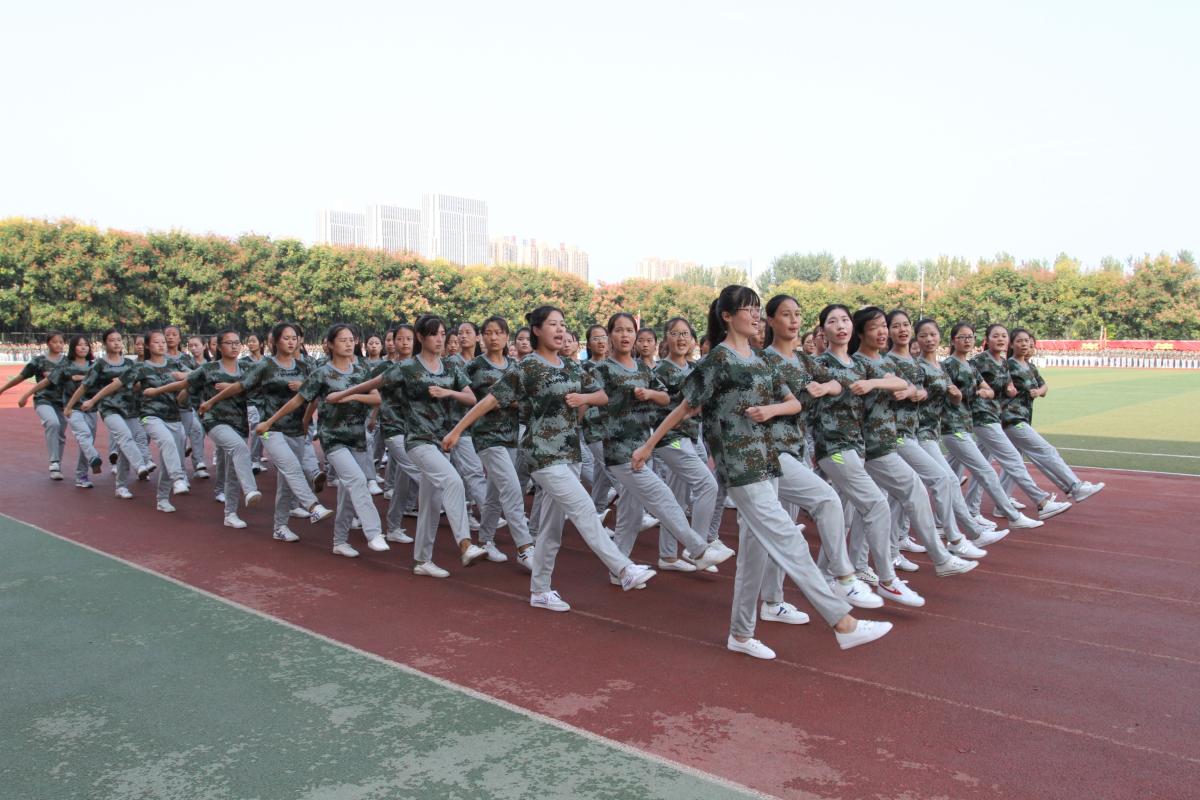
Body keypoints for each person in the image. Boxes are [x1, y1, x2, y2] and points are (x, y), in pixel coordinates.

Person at [634, 286, 891, 659]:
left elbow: (792, 402)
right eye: (748, 309)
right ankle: (843, 622)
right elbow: (685, 407)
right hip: (740, 466)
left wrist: (775, 409)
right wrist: (648, 446)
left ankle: (740, 634)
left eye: (757, 309)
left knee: (753, 556)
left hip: (769, 460)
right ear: (727, 316)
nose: (755, 315)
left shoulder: (759, 359)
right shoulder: (718, 360)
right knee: (789, 539)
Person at [444, 305, 656, 612]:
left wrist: (583, 399)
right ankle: (623, 568)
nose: (560, 330)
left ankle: (540, 591)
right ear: (536, 330)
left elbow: (601, 396)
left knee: (551, 530)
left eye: (563, 324)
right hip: (542, 454)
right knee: (583, 507)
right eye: (553, 324)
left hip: (568, 453)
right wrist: (457, 430)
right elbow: (489, 400)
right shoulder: (527, 367)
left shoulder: (570, 366)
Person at [329, 315, 486, 575]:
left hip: (442, 443)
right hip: (418, 441)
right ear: (421, 337)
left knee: (431, 504)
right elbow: (374, 383)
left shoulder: (450, 367)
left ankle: (422, 561)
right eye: (433, 334)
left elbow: (471, 398)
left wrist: (448, 392)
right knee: (453, 482)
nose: (440, 339)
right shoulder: (407, 367)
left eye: (442, 333)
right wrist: (342, 394)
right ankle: (465, 543)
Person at [759, 296, 882, 610]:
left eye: (798, 314)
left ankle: (772, 601)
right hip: (769, 452)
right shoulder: (763, 361)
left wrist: (827, 387)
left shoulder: (804, 361)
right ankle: (843, 577)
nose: (794, 320)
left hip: (794, 451)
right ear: (770, 320)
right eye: (786, 315)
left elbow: (838, 383)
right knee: (826, 500)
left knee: (782, 530)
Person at [594, 312, 735, 574]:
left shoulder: (645, 369)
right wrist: (586, 401)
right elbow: (596, 397)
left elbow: (664, 397)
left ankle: (621, 568)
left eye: (629, 330)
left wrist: (650, 393)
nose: (625, 335)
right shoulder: (601, 369)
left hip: (645, 446)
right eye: (619, 330)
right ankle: (698, 549)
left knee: (631, 513)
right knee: (667, 495)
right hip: (630, 448)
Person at [809, 305, 927, 605]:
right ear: (823, 330)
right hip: (834, 449)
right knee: (876, 504)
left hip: (856, 447)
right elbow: (823, 386)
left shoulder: (859, 364)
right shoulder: (819, 363)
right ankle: (887, 579)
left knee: (843, 515)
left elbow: (901, 383)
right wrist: (829, 387)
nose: (840, 326)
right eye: (832, 321)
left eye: (845, 320)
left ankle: (825, 575)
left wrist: (875, 383)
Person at [258, 323, 387, 556]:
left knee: (349, 492)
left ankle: (340, 541)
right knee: (357, 480)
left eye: (351, 340)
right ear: (330, 344)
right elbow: (299, 400)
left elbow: (376, 398)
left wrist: (349, 396)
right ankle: (374, 532)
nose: (348, 344)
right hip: (333, 437)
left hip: (357, 438)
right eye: (343, 340)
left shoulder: (361, 370)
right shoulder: (321, 373)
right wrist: (270, 422)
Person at [199, 322, 333, 540]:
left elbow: (311, 397)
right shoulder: (265, 366)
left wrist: (306, 420)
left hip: (295, 429)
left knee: (287, 480)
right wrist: (211, 401)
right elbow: (240, 386)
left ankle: (280, 527)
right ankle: (313, 505)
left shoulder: (304, 367)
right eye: (286, 338)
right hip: (269, 428)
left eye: (294, 338)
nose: (291, 342)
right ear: (275, 341)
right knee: (291, 466)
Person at [940, 323, 1046, 531]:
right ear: (953, 340)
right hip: (954, 426)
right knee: (985, 471)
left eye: (970, 337)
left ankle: (946, 523)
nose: (967, 341)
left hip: (966, 424)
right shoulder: (949, 365)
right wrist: (962, 394)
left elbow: (987, 390)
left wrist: (985, 392)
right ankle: (1019, 512)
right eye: (962, 337)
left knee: (947, 477)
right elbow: (948, 392)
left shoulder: (969, 366)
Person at [967, 324, 1072, 521]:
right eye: (996, 336)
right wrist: (978, 393)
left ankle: (972, 511)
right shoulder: (979, 361)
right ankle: (1042, 501)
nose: (1000, 339)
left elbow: (1007, 389)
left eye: (1003, 336)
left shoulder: (1003, 364)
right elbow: (967, 381)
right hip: (984, 418)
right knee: (1012, 460)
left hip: (995, 417)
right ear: (987, 340)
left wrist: (1010, 390)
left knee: (981, 466)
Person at [1002, 328, 1104, 503]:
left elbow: (1044, 386)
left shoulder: (1030, 367)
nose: (1025, 344)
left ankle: (1002, 502)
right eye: (1020, 341)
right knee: (1045, 451)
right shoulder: (1008, 366)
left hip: (1023, 417)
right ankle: (1075, 486)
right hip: (1012, 418)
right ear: (1011, 344)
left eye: (1027, 341)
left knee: (1015, 462)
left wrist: (1038, 391)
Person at [465, 315, 534, 568]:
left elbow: (525, 399)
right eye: (488, 333)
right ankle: (525, 548)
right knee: (512, 488)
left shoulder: (515, 366)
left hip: (511, 436)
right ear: (482, 337)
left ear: (507, 337)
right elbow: (466, 398)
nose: (493, 337)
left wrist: (507, 401)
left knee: (495, 491)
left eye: (498, 332)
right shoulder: (473, 366)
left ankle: (485, 540)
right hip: (486, 436)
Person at [66, 329, 156, 498]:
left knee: (125, 447)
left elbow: (138, 386)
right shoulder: (100, 364)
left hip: (130, 409)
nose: (116, 343)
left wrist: (130, 384)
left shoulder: (130, 364)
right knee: (124, 436)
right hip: (109, 408)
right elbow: (84, 386)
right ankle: (140, 465)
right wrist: (70, 406)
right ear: (105, 343)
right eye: (112, 340)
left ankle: (121, 486)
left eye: (119, 340)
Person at [22, 334, 98, 486]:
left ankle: (81, 475)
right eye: (79, 345)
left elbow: (108, 383)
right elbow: (46, 381)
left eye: (86, 344)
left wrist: (80, 378)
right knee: (79, 435)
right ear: (73, 348)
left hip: (90, 408)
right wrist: (26, 394)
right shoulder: (65, 365)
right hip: (71, 408)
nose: (83, 347)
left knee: (87, 438)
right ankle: (89, 458)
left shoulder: (95, 365)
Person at [0, 332, 67, 479]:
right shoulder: (38, 361)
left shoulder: (68, 361)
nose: (58, 345)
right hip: (43, 400)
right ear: (48, 343)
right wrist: (3, 389)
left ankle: (57, 466)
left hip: (62, 403)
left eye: (61, 342)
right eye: (55, 342)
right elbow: (21, 377)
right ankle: (54, 462)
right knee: (53, 423)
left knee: (61, 434)